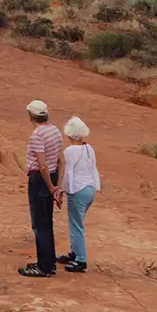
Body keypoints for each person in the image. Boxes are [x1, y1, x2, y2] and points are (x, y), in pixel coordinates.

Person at [18, 99, 64, 278]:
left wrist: (51, 188)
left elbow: (42, 165)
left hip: (40, 179)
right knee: (47, 222)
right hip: (51, 177)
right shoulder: (55, 131)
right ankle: (48, 263)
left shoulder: (37, 135)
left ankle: (43, 268)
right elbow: (61, 161)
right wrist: (57, 185)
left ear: (31, 115)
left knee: (39, 224)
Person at [57, 116, 100, 273]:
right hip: (89, 189)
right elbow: (93, 168)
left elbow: (68, 173)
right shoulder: (89, 148)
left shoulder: (70, 151)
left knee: (76, 225)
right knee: (77, 223)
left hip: (77, 190)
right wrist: (97, 185)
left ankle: (80, 260)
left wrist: (63, 190)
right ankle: (74, 253)